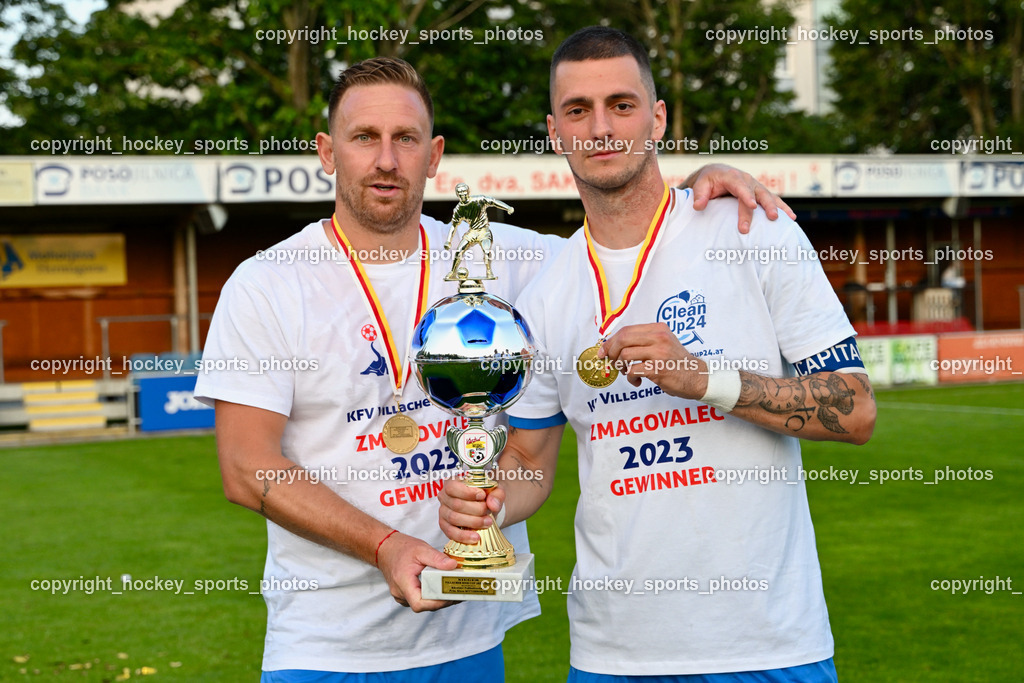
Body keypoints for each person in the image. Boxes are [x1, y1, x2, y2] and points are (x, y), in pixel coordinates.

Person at [194, 55, 797, 682]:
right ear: (327, 151)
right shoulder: (267, 283)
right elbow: (246, 469)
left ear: (434, 155)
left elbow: (628, 234)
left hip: (469, 638)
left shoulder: (507, 258)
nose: (385, 160)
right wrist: (386, 547)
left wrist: (705, 187)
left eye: (406, 139)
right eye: (363, 138)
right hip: (327, 648)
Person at [439, 27, 877, 683]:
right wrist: (487, 501)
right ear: (554, 131)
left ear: (659, 117)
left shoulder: (753, 229)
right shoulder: (545, 297)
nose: (602, 128)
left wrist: (705, 379)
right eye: (578, 110)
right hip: (613, 654)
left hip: (764, 644)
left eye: (622, 104)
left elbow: (855, 410)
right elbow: (529, 460)